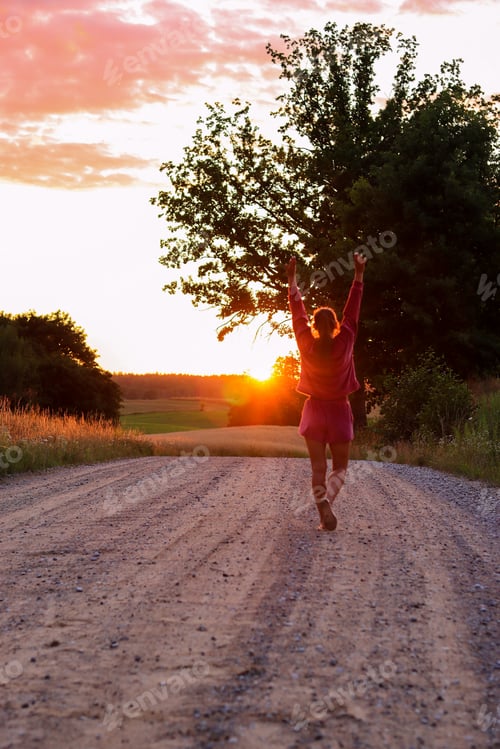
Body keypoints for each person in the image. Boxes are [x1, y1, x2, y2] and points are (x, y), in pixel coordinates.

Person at [287, 251, 366, 531]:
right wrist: (358, 274)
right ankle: (328, 502)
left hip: (314, 410)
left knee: (318, 469)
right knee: (340, 469)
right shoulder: (345, 341)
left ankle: (323, 509)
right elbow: (352, 311)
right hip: (339, 411)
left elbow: (298, 312)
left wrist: (292, 280)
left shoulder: (306, 343)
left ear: (314, 327)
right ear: (335, 326)